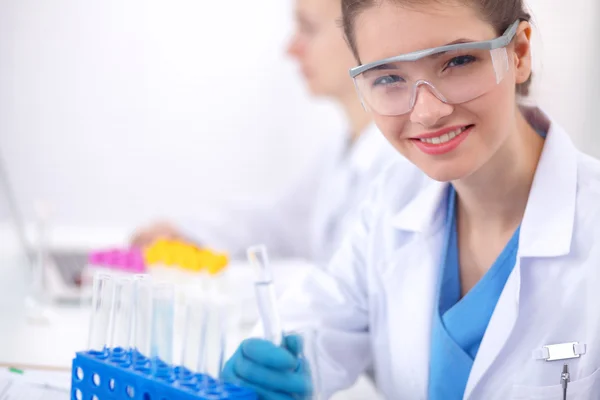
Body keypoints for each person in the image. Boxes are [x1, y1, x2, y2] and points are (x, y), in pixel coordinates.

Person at [221, 0, 600, 399]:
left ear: (519, 53)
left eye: (458, 62)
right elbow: (322, 318)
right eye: (388, 79)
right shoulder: (392, 200)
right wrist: (279, 360)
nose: (427, 112)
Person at [130, 0, 417, 266]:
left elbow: (342, 286)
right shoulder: (341, 148)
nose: (291, 49)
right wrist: (189, 234)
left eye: (308, 28)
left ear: (366, 34)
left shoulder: (404, 161)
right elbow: (282, 224)